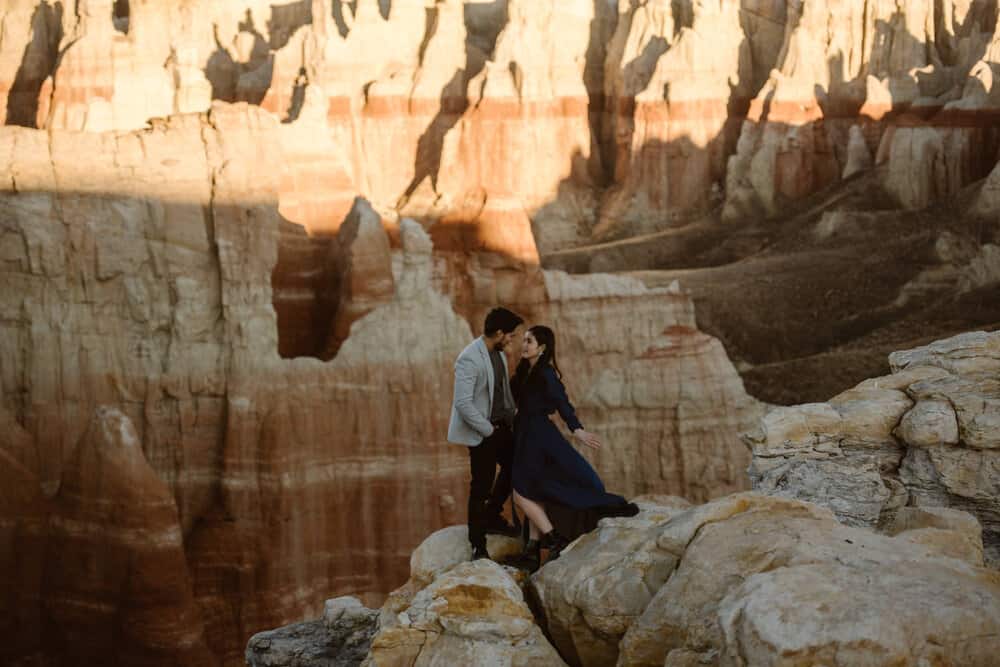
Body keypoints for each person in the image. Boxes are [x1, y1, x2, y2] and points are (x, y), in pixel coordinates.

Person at [507, 325, 638, 571]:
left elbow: (562, 403)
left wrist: (576, 429)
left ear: (542, 347)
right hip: (526, 434)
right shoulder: (525, 371)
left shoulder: (546, 374)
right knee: (533, 491)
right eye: (524, 340)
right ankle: (532, 552)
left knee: (521, 493)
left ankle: (553, 537)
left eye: (530, 341)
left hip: (539, 437)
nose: (524, 345)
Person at [447, 307, 524, 560]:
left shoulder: (498, 354)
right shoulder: (469, 358)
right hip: (482, 433)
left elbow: (501, 393)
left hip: (500, 428)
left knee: (517, 467)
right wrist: (488, 430)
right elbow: (463, 403)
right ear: (499, 333)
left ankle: (493, 515)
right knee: (480, 486)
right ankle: (478, 546)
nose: (511, 340)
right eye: (510, 335)